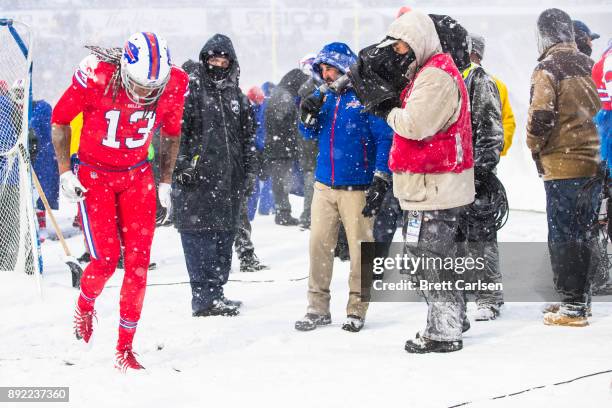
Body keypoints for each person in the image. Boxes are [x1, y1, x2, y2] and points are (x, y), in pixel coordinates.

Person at [51, 33, 188, 371]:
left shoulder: (172, 84)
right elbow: (60, 118)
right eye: (140, 84)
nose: (145, 93)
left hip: (137, 175)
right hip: (95, 174)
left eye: (152, 86)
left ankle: (125, 349)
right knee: (106, 260)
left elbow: (171, 132)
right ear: (125, 70)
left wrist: (166, 182)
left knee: (139, 264)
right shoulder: (97, 75)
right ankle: (85, 304)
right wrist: (65, 171)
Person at [351, 9, 475, 352]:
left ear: (421, 41)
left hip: (434, 186)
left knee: (429, 260)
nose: (399, 52)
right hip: (428, 185)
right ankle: (452, 315)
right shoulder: (427, 72)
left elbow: (414, 125)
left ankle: (444, 332)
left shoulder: (435, 76)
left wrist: (383, 108)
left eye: (404, 45)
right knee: (433, 258)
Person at [295, 42, 393, 333]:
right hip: (324, 186)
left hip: (358, 187)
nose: (325, 74)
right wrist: (306, 114)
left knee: (360, 250)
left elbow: (384, 138)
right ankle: (317, 308)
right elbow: (308, 132)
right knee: (318, 246)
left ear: (344, 67)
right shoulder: (322, 97)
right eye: (322, 69)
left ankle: (356, 309)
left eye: (330, 68)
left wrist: (380, 176)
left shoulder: (364, 97)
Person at [527, 9, 601, 327]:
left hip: (563, 164)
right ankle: (580, 299)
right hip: (594, 164)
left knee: (562, 234)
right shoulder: (591, 66)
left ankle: (571, 306)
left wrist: (533, 146)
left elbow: (541, 115)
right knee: (584, 233)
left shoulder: (548, 68)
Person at [172, 34, 255, 317]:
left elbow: (248, 139)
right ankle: (204, 298)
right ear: (205, 60)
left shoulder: (238, 97)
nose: (218, 64)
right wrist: (183, 171)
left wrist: (249, 172)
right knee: (200, 240)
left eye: (223, 59)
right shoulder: (191, 92)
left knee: (224, 238)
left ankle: (216, 293)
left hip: (229, 183)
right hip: (197, 184)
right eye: (212, 59)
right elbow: (177, 135)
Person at [459, 33, 505, 321]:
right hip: (454, 173)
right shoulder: (454, 77)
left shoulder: (480, 81)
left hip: (476, 174)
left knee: (481, 236)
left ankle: (489, 296)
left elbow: (490, 132)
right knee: (458, 236)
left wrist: (480, 171)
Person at [264, 68, 309, 226]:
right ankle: (283, 214)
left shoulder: (279, 92)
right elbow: (282, 122)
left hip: (276, 147)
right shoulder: (285, 96)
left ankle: (282, 212)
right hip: (282, 148)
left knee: (280, 181)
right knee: (282, 182)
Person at [234, 85, 268, 272]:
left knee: (239, 215)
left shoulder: (240, 104)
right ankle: (242, 256)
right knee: (238, 216)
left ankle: (244, 256)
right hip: (228, 169)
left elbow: (250, 140)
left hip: (236, 168)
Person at [467, 34, 516, 157]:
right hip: (477, 157)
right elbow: (508, 121)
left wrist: (495, 147)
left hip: (474, 157)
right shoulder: (496, 83)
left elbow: (507, 120)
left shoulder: (492, 83)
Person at [30, 99, 58, 242]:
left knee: (40, 193)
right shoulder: (16, 111)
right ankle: (33, 226)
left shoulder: (41, 109)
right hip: (30, 157)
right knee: (32, 194)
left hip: (42, 157)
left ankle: (42, 226)